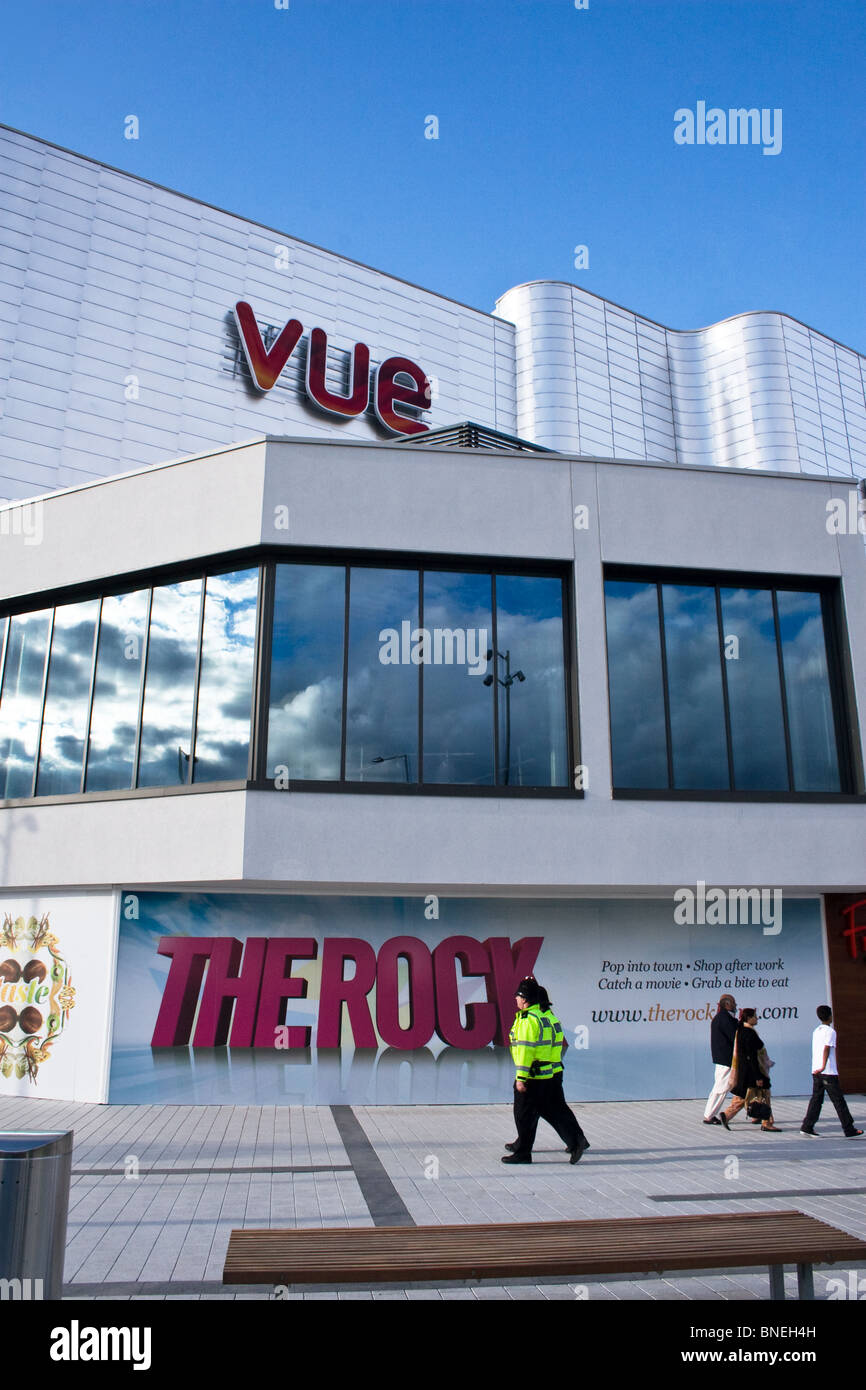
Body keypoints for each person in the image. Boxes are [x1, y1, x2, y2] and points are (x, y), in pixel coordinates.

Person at [504, 984, 590, 1162]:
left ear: (526, 999)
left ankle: (524, 1152)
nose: (516, 999)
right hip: (550, 1072)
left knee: (526, 1114)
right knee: (552, 1110)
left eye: (518, 996)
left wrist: (521, 1077)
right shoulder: (550, 1019)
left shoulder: (528, 1020)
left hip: (533, 1075)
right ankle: (576, 1140)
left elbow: (525, 1051)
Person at [800, 1006, 863, 1138]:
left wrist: (819, 1067)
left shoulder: (817, 1030)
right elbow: (826, 1049)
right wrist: (823, 1066)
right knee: (838, 1101)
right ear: (829, 1016)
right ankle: (849, 1129)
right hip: (827, 1071)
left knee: (816, 1100)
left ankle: (807, 1126)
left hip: (815, 1070)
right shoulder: (830, 1031)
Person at [720, 1008, 781, 1132]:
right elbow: (752, 1056)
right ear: (749, 1018)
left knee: (743, 1096)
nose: (757, 1018)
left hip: (744, 1071)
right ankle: (767, 1122)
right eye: (755, 1016)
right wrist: (758, 1076)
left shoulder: (741, 1030)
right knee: (764, 1096)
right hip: (753, 1071)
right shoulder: (749, 1033)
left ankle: (727, 1115)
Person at [702, 993, 738, 1126]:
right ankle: (709, 1115)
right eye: (734, 1003)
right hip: (726, 1059)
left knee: (725, 1087)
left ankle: (756, 1113)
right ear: (727, 1004)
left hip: (723, 1058)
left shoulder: (722, 1018)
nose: (735, 1006)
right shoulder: (725, 1019)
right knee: (721, 1088)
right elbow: (735, 1036)